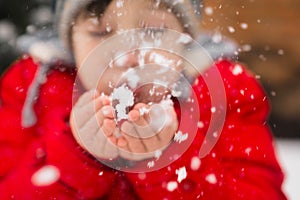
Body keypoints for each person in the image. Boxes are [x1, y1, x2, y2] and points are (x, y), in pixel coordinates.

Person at [0, 0, 287, 199]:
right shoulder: (32, 89)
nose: (126, 55)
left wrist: (168, 159)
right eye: (101, 32)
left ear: (186, 41)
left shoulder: (224, 92)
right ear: (70, 42)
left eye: (155, 30)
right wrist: (76, 156)